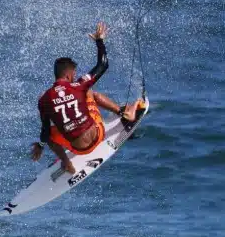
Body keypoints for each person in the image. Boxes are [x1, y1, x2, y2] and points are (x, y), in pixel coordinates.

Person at [32, 21, 143, 174]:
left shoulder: (43, 99)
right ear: (68, 75)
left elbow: (44, 131)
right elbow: (103, 64)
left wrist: (40, 146)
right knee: (90, 93)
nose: (75, 76)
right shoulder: (79, 86)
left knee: (50, 135)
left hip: (78, 149)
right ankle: (124, 113)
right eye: (74, 74)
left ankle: (67, 164)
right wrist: (99, 41)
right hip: (98, 135)